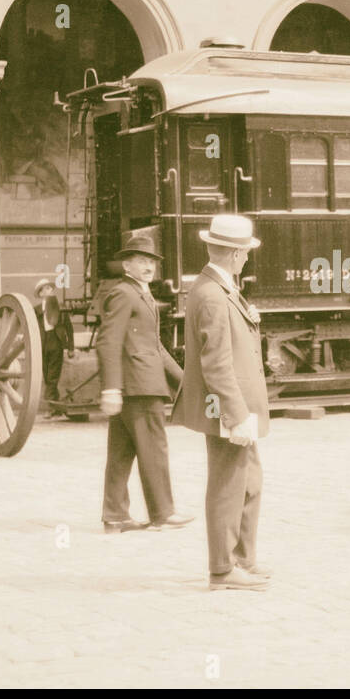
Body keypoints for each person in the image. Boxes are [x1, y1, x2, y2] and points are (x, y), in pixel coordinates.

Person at [171, 214, 271, 591]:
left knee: (249, 481)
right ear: (233, 255)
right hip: (231, 407)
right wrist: (236, 414)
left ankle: (242, 558)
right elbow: (216, 364)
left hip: (238, 406)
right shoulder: (212, 294)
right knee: (228, 484)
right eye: (245, 253)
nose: (247, 258)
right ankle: (222, 568)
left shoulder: (219, 287)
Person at [96, 234, 193, 533]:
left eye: (151, 261)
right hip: (140, 385)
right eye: (141, 260)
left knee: (122, 452)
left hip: (139, 382)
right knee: (154, 447)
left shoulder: (141, 293)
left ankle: (115, 516)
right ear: (127, 264)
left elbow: (156, 346)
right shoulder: (124, 293)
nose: (149, 266)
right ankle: (163, 513)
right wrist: (111, 388)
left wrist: (184, 381)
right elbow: (107, 341)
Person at [33, 278, 73, 410]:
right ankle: (56, 407)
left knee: (52, 377)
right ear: (41, 293)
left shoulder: (60, 307)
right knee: (46, 376)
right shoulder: (36, 310)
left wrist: (71, 348)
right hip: (42, 344)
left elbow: (69, 328)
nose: (50, 290)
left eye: (51, 288)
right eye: (46, 288)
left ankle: (50, 408)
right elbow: (31, 328)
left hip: (56, 342)